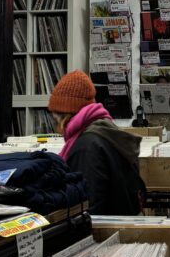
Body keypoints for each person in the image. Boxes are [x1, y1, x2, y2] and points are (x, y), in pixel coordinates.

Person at [48, 70, 142, 217]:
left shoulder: (86, 146)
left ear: (64, 114)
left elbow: (88, 203)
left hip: (101, 227)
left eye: (54, 113)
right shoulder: (106, 131)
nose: (53, 117)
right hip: (119, 223)